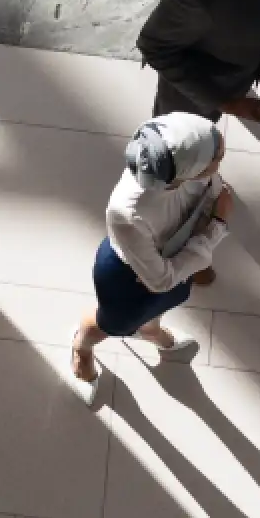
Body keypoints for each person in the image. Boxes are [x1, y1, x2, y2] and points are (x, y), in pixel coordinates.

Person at [70, 112, 233, 404]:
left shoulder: (192, 169)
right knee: (111, 322)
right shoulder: (127, 212)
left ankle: (150, 330)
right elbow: (160, 280)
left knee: (158, 308)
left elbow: (209, 195)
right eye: (217, 156)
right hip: (127, 277)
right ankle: (81, 347)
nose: (222, 157)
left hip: (174, 259)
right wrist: (217, 226)